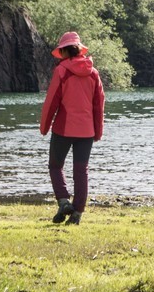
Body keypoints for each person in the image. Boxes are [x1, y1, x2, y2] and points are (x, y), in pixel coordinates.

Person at [39, 31, 105, 225]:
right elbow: (99, 105)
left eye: (61, 51)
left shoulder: (61, 71)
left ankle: (63, 201)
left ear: (65, 51)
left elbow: (51, 102)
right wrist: (98, 131)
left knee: (55, 166)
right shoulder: (93, 73)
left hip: (64, 129)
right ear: (78, 49)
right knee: (81, 171)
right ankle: (77, 214)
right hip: (87, 131)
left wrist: (44, 126)